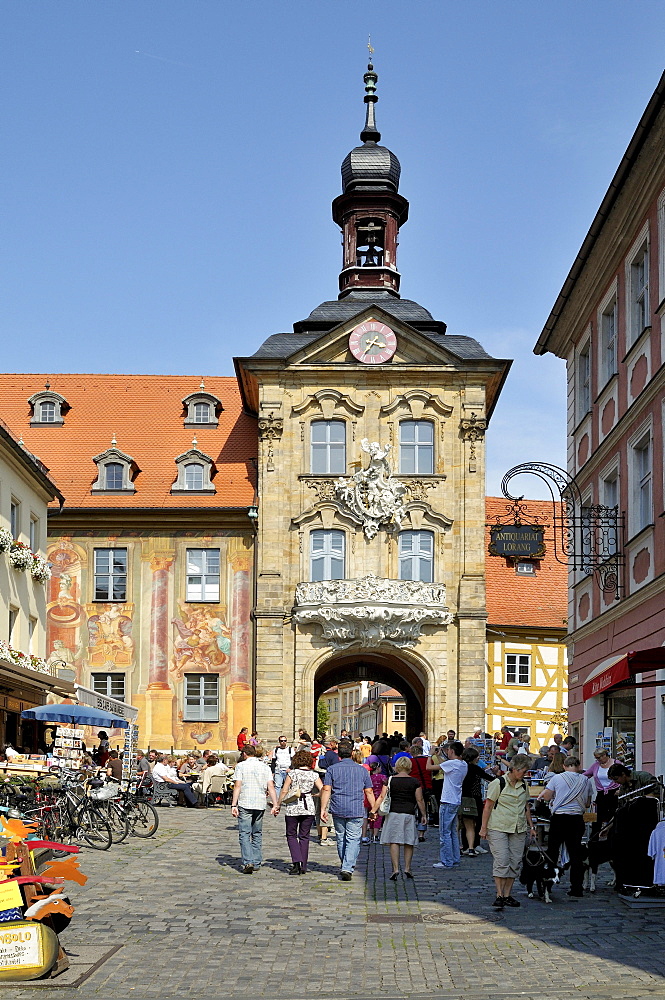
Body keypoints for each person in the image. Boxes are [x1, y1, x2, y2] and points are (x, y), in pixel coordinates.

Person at [479, 753, 536, 908]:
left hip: (518, 827)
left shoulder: (523, 785)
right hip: (498, 826)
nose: (525, 775)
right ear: (514, 769)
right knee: (502, 860)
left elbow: (526, 807)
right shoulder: (498, 783)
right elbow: (488, 806)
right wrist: (483, 828)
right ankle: (499, 894)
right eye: (523, 771)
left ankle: (507, 894)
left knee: (515, 862)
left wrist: (531, 827)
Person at [319, 741, 376, 880]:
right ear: (352, 753)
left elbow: (326, 789)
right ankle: (347, 866)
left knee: (341, 836)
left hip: (338, 807)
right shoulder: (362, 770)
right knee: (353, 838)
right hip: (356, 808)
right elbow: (368, 791)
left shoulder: (332, 769)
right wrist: (374, 809)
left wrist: (322, 809)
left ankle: (345, 863)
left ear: (339, 754)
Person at [537, 756, 592, 897]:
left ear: (564, 766)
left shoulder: (557, 778)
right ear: (578, 766)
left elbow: (548, 797)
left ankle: (547, 884)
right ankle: (576, 888)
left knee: (553, 852)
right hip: (576, 819)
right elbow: (587, 803)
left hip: (560, 818)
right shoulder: (586, 780)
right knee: (576, 854)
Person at [373, 757, 427, 880]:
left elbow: (382, 797)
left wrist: (373, 810)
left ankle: (396, 868)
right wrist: (424, 815)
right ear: (409, 767)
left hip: (393, 813)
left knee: (394, 841)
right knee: (409, 841)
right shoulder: (415, 781)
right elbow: (419, 799)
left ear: (397, 767)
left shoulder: (390, 780)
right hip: (409, 813)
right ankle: (407, 868)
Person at [272, 749, 323, 874]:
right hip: (308, 807)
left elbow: (284, 790)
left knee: (291, 835)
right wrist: (315, 795)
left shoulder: (293, 774)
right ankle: (304, 865)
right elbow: (323, 789)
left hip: (293, 807)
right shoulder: (313, 774)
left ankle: (296, 862)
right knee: (305, 836)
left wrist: (278, 805)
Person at [231, 744, 278, 874]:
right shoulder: (265, 766)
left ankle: (248, 861)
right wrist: (275, 804)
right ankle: (256, 861)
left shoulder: (241, 766)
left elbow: (238, 786)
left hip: (245, 801)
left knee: (245, 833)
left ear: (245, 754)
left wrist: (233, 804)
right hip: (260, 802)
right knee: (257, 833)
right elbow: (271, 786)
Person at [431, 741, 467, 870]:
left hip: (447, 800)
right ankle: (455, 858)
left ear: (452, 751)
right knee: (452, 832)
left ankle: (446, 860)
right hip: (456, 800)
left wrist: (431, 755)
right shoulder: (463, 764)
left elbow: (429, 767)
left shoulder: (451, 763)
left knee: (444, 832)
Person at [460, 747, 496, 856]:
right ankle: (473, 845)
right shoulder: (474, 768)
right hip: (474, 797)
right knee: (477, 821)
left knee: (466, 823)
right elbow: (489, 778)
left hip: (463, 797)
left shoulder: (462, 767)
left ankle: (469, 845)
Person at [584, 748, 620, 835]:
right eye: (596, 758)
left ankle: (611, 837)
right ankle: (594, 839)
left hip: (614, 792)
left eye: (599, 757)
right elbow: (586, 775)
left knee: (613, 816)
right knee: (597, 818)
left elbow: (623, 776)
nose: (598, 760)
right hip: (601, 794)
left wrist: (621, 789)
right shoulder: (596, 765)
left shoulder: (616, 763)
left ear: (605, 755)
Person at [410, 744, 433, 840]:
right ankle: (421, 834)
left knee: (411, 809)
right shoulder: (428, 761)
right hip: (426, 787)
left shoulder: (410, 762)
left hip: (412, 787)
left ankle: (410, 831)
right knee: (423, 810)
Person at [363, 759, 388, 844]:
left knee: (371, 816)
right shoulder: (382, 777)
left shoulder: (369, 778)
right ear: (378, 768)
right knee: (378, 817)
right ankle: (375, 835)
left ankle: (371, 833)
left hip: (370, 798)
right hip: (380, 798)